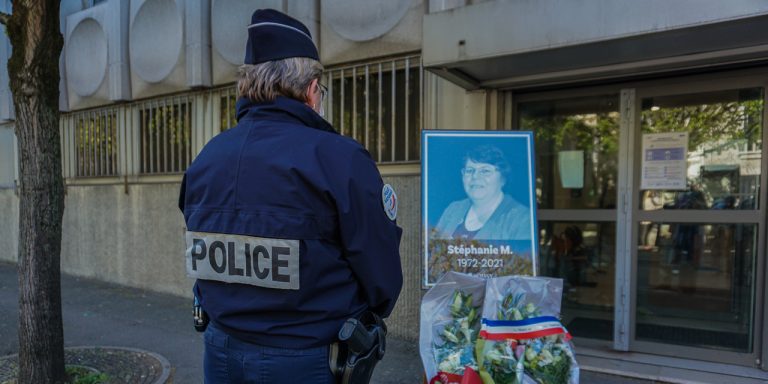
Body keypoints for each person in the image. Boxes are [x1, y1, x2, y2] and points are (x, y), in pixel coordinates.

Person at [178, 9, 403, 383]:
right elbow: (380, 275)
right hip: (306, 360)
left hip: (220, 353)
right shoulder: (339, 158)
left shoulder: (207, 158)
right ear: (312, 90)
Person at [433, 145, 531, 241]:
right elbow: (432, 253)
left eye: (485, 171)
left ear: (503, 178)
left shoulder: (521, 219)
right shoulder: (453, 209)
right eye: (470, 170)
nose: (475, 176)